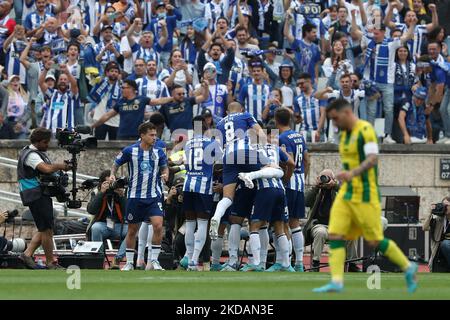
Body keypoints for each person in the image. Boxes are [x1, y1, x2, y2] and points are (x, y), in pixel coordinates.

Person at [313, 99, 418, 293]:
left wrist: (352, 173)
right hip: (346, 193)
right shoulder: (343, 135)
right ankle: (336, 281)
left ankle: (407, 266)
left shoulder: (365, 130)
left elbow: (372, 159)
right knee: (335, 233)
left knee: (374, 239)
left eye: (335, 118)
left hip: (366, 194)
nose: (334, 124)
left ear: (345, 112)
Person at [209, 102, 282, 240]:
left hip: (228, 157)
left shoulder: (219, 124)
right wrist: (266, 150)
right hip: (244, 151)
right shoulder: (246, 115)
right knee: (276, 169)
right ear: (242, 109)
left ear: (226, 112)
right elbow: (260, 132)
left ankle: (216, 216)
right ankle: (250, 175)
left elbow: (217, 149)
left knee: (227, 198)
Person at [111, 122, 169, 271]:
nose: (154, 138)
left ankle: (154, 260)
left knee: (158, 225)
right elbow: (116, 163)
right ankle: (129, 262)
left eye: (155, 135)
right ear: (142, 135)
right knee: (132, 230)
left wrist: (166, 174)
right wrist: (112, 174)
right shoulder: (130, 151)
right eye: (151, 135)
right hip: (135, 196)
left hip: (154, 196)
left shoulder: (159, 152)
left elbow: (164, 166)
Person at [17, 127, 72, 269]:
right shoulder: (31, 155)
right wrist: (61, 166)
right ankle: (50, 263)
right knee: (47, 229)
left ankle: (27, 254)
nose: (48, 145)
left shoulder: (33, 152)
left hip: (38, 194)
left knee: (44, 228)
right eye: (46, 142)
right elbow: (46, 169)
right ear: (38, 141)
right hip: (36, 194)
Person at [180, 115, 222, 270]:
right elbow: (220, 162)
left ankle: (188, 256)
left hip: (188, 185)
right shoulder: (212, 143)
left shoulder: (188, 144)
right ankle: (194, 259)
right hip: (203, 186)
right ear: (205, 127)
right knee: (203, 223)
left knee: (190, 224)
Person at [303, 169, 360, 272]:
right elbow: (306, 201)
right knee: (320, 232)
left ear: (333, 179)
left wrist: (336, 186)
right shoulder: (316, 191)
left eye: (327, 178)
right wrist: (316, 187)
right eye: (322, 177)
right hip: (319, 226)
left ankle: (352, 264)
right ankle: (316, 263)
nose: (325, 180)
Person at [275, 107, 309, 272]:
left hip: (289, 184)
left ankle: (285, 262)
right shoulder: (299, 136)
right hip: (300, 183)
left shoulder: (282, 138)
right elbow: (307, 160)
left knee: (282, 223)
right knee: (295, 224)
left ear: (276, 120)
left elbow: (290, 161)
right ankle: (299, 263)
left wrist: (286, 178)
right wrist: (303, 178)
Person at [90, 79, 174, 140]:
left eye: (124, 88)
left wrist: (172, 98)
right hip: (122, 135)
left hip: (138, 135)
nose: (121, 90)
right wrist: (93, 126)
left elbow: (158, 101)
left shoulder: (142, 99)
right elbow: (107, 116)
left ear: (131, 89)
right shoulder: (120, 102)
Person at [86, 169, 128, 270]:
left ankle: (117, 259)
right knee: (95, 228)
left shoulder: (121, 190)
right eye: (107, 183)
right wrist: (101, 193)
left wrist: (122, 196)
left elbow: (128, 213)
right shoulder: (96, 191)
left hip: (119, 226)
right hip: (103, 225)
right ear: (101, 183)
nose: (110, 185)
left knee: (133, 230)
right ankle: (99, 260)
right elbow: (91, 210)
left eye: (112, 182)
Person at [423, 197, 450, 272]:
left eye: (447, 205)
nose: (444, 207)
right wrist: (430, 213)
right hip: (440, 251)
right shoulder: (439, 219)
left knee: (445, 244)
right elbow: (424, 228)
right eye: (443, 205)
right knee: (445, 244)